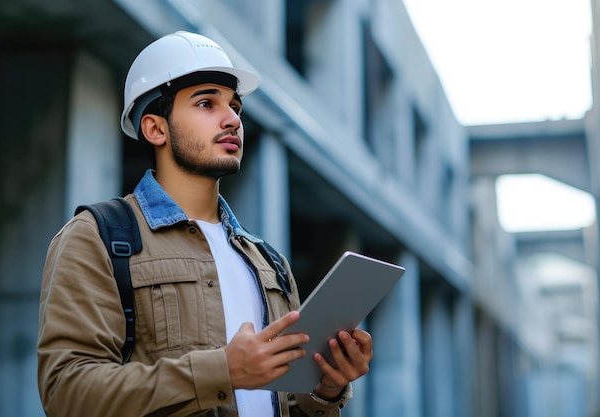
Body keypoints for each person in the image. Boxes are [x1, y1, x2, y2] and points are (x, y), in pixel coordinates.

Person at [37, 31, 373, 417]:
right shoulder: (98, 236)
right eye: (206, 103)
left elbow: (286, 404)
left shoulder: (269, 262)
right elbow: (67, 394)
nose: (232, 119)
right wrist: (222, 371)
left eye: (235, 106)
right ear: (155, 129)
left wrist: (327, 390)